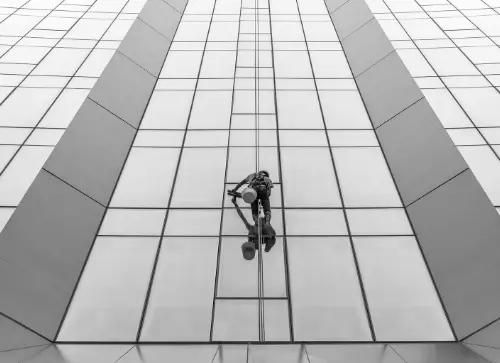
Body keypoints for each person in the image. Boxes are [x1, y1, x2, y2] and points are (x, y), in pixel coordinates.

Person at [231, 196, 276, 260]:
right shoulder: (265, 226)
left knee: (257, 215)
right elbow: (272, 237)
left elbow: (242, 216)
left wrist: (235, 204)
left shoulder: (252, 228)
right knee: (266, 217)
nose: (258, 220)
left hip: (264, 234)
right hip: (266, 233)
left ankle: (254, 199)